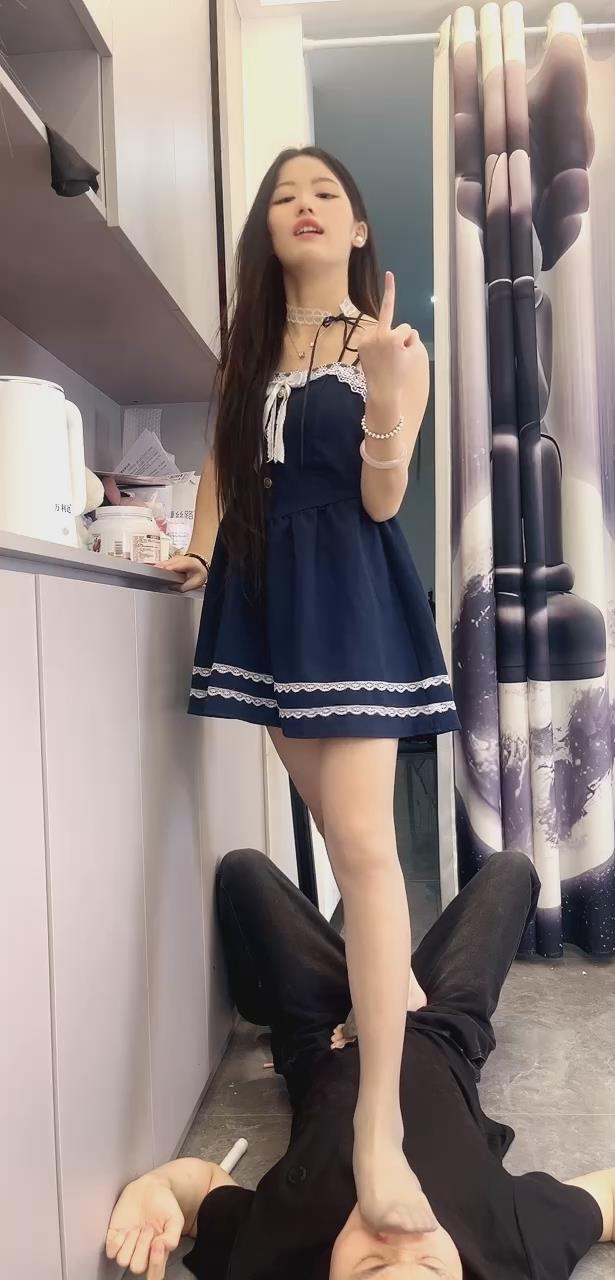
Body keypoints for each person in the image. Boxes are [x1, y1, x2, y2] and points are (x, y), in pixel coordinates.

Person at [158, 145, 460, 1232]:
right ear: (268, 230)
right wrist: (199, 551)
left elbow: (384, 499)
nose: (306, 205)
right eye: (286, 195)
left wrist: (382, 390)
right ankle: (392, 978)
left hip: (352, 592)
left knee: (365, 845)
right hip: (267, 595)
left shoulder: (397, 346)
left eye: (327, 192)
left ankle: (380, 1126)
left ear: (358, 227)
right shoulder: (247, 353)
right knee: (340, 833)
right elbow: (221, 466)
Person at [106, 849, 615, 1280]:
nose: (399, 1232)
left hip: (324, 1034)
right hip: (441, 1026)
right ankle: (382, 964)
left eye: (371, 1265)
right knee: (513, 870)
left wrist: (155, 1188)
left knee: (243, 871)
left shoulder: (273, 1254)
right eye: (429, 1262)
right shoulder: (513, 1252)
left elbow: (199, 1192)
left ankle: (336, 976)